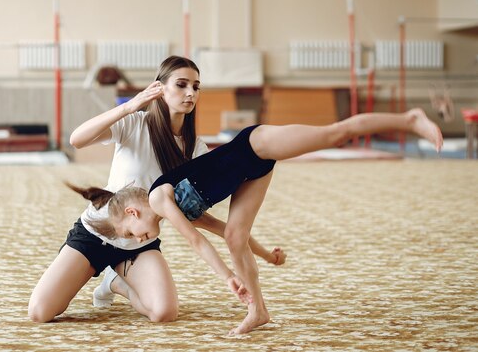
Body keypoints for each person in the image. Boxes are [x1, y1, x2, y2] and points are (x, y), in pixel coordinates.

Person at [68, 108, 443, 335]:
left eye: (132, 234)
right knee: (235, 236)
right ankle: (258, 311)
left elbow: (198, 245)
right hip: (252, 174)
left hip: (256, 145)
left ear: (132, 213)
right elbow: (218, 231)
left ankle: (408, 119)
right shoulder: (176, 211)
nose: (138, 239)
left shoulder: (158, 198)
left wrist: (228, 278)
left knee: (336, 133)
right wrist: (265, 255)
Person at [28, 56, 283, 325]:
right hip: (94, 235)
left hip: (139, 244)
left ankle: (117, 283)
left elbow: (195, 219)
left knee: (164, 313)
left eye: (196, 87)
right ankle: (106, 274)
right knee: (40, 312)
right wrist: (129, 107)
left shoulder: (195, 149)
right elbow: (77, 139)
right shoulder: (135, 123)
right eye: (181, 84)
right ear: (160, 88)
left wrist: (263, 252)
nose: (190, 93)